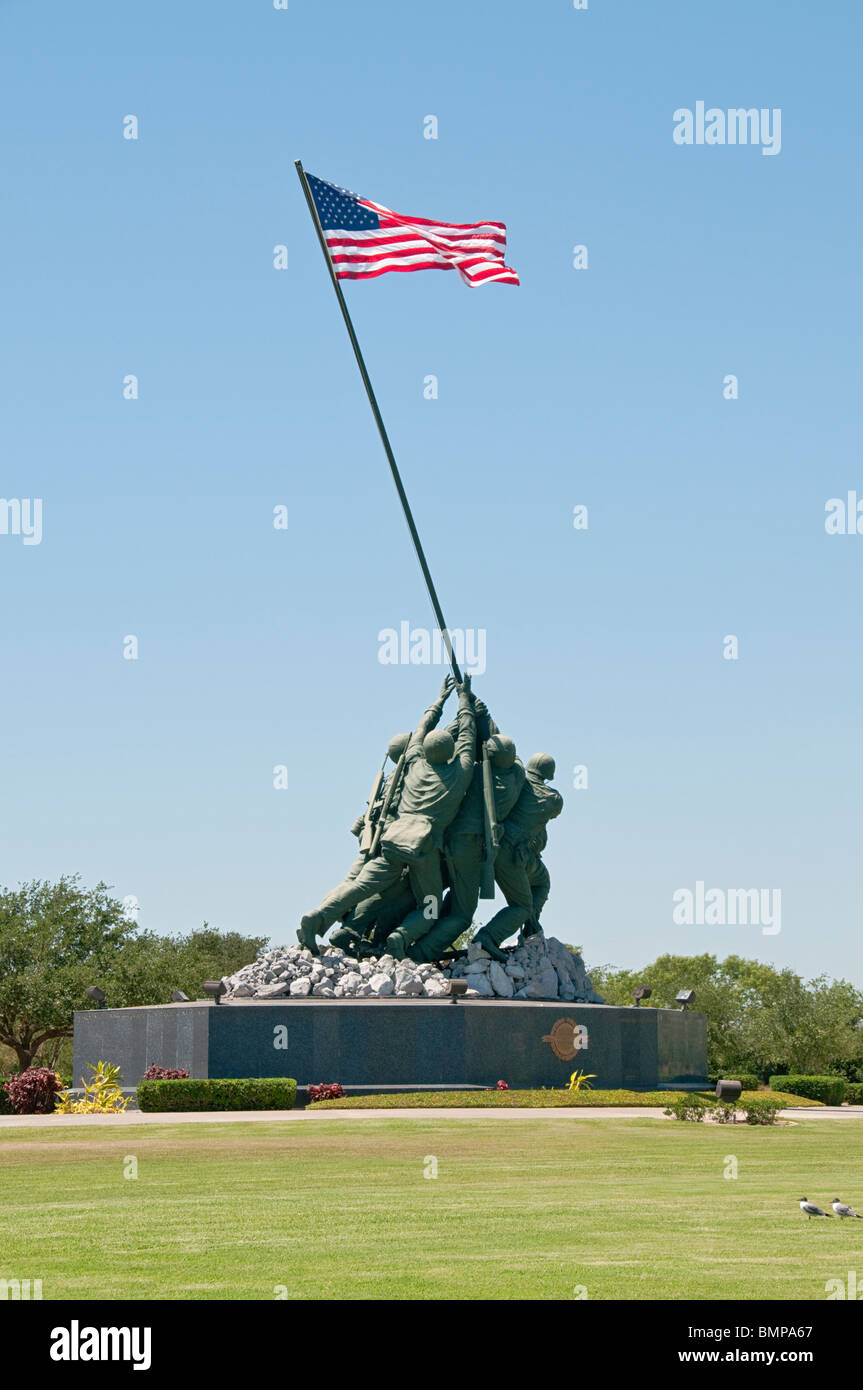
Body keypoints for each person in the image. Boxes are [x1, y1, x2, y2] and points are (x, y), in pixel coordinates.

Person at [472, 752, 562, 961]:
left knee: (541, 880)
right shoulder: (553, 799)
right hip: (509, 853)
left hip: (503, 848)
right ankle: (487, 938)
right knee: (521, 906)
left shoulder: (515, 780)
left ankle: (530, 929)